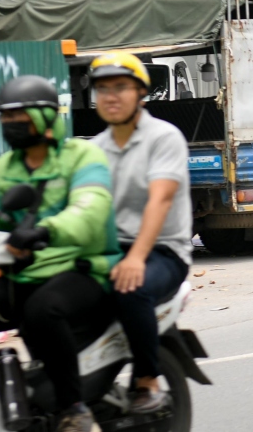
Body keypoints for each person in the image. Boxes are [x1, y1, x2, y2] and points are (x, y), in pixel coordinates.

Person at [0, 75, 121, 432]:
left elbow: (90, 210)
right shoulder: (7, 166)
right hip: (27, 269)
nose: (10, 126)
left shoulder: (83, 156)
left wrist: (46, 230)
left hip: (84, 267)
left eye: (19, 118)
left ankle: (74, 407)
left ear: (44, 118)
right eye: (5, 119)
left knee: (42, 310)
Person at [87, 52, 192, 413]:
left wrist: (135, 258)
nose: (110, 96)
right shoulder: (93, 149)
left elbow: (159, 201)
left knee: (130, 287)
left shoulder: (164, 138)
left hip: (163, 251)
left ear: (141, 94)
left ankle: (147, 378)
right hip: (110, 250)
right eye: (102, 89)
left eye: (120, 87)